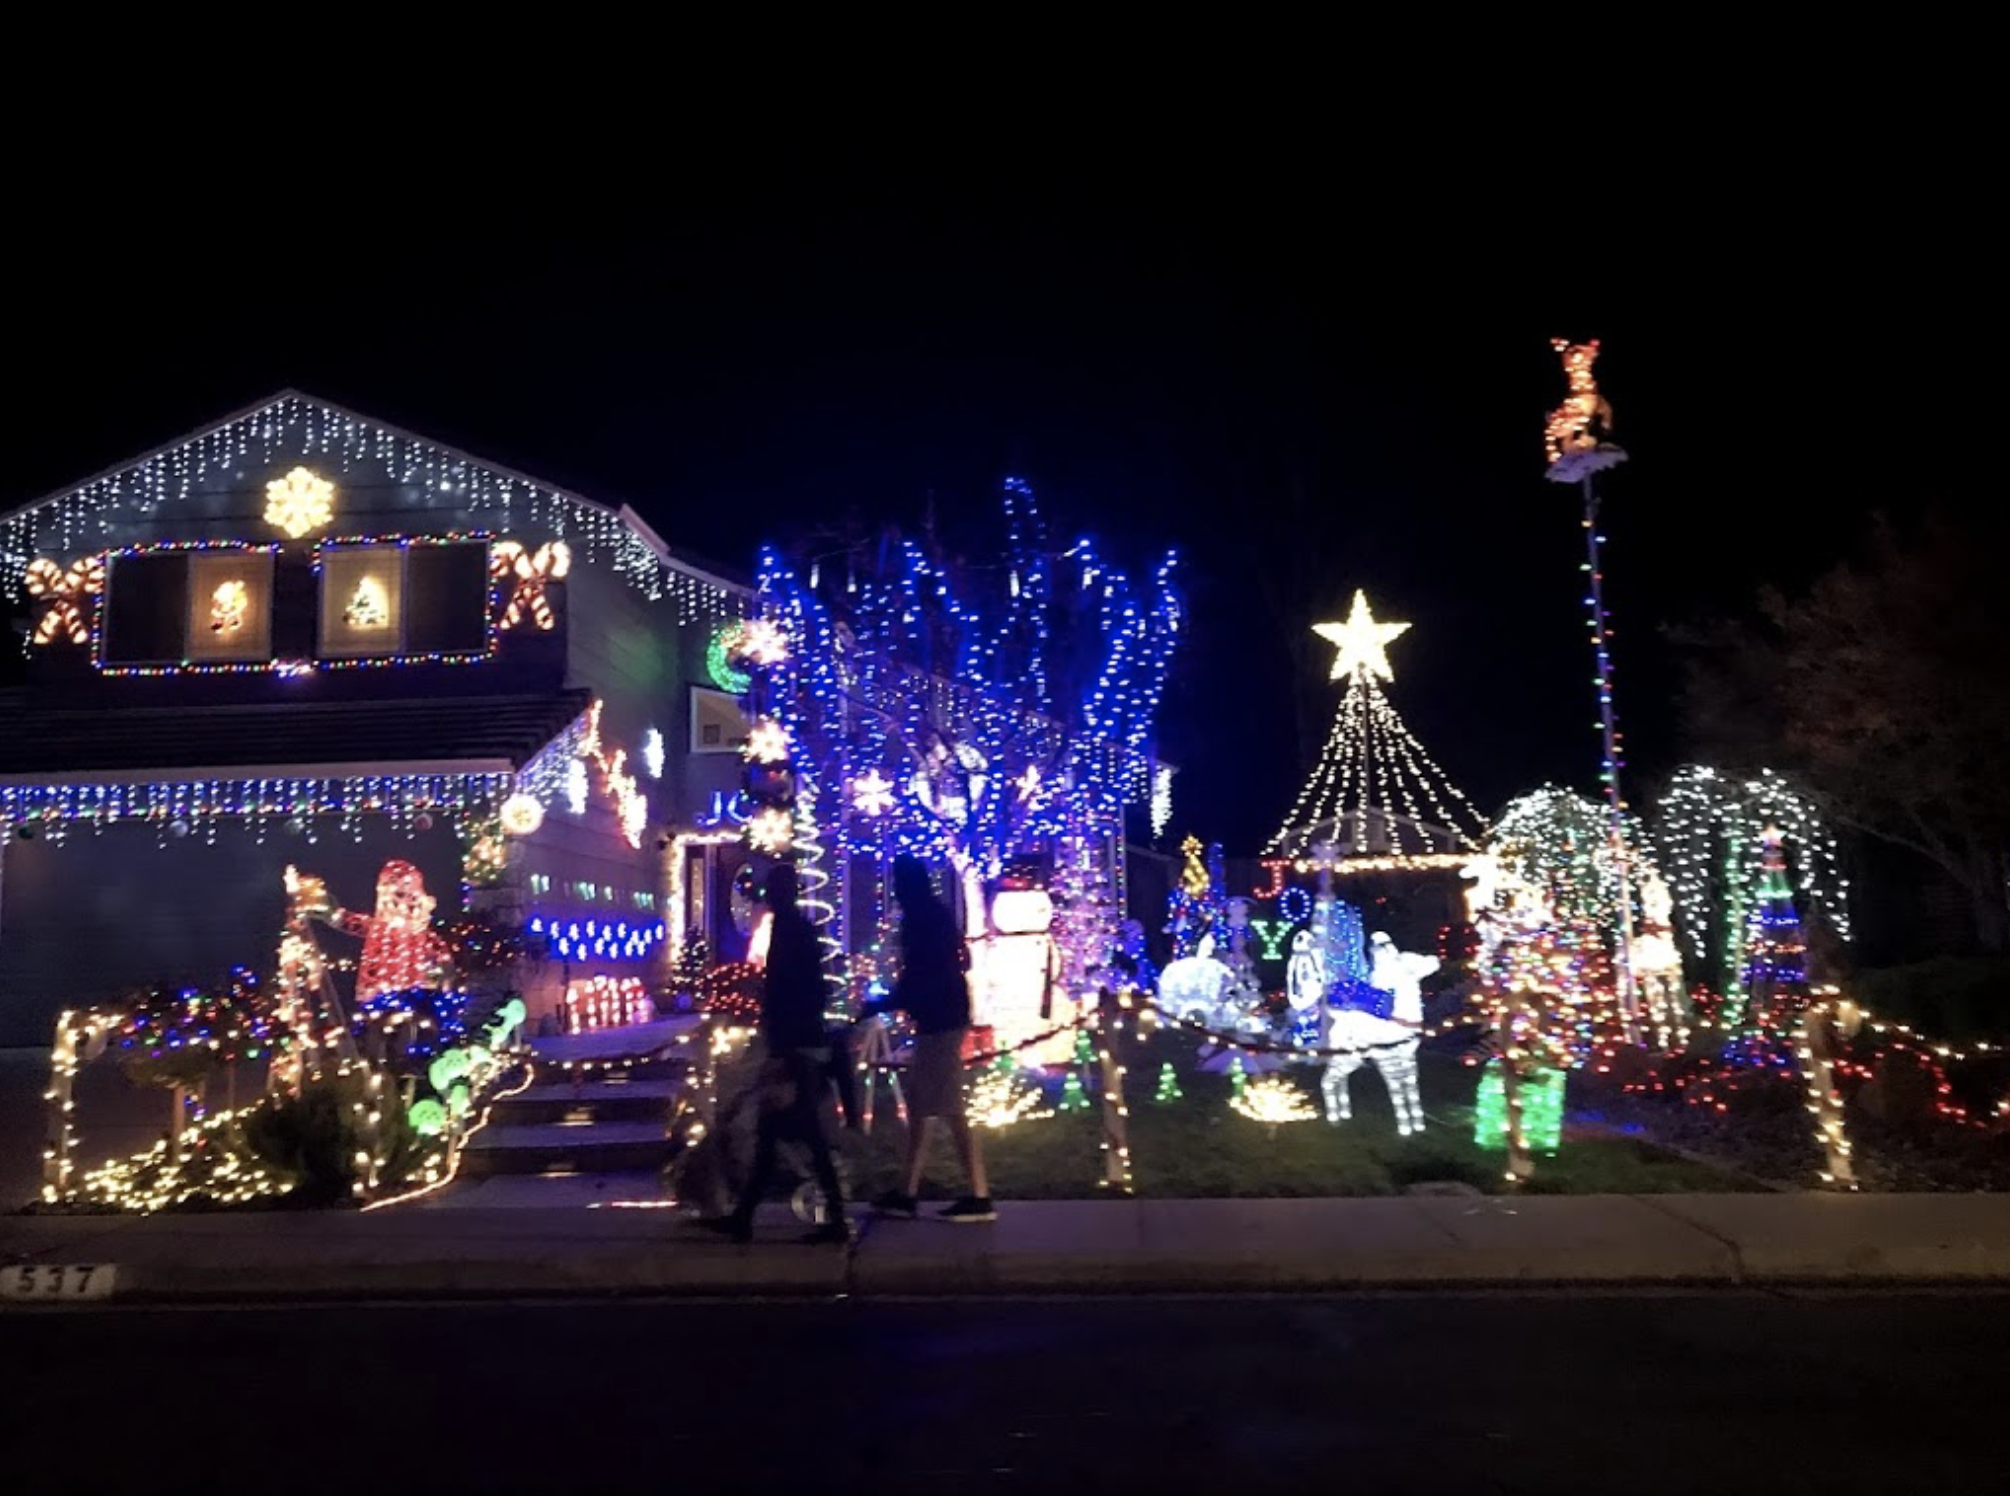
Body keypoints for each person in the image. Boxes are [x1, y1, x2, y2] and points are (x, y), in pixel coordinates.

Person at [698, 863, 850, 1245]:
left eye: (773, 890)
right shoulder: (797, 929)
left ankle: (832, 1219)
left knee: (804, 1135)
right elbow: (810, 991)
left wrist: (780, 1047)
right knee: (777, 1135)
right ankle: (746, 1216)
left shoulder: (788, 932)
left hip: (794, 1047)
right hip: (799, 1042)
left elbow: (788, 994)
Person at [865, 855, 995, 1222]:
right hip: (944, 1015)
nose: (895, 891)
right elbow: (952, 963)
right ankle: (907, 1192)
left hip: (940, 1020)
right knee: (923, 1106)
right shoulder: (935, 914)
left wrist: (881, 1004)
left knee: (950, 1107)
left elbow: (919, 976)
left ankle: (979, 1194)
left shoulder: (920, 920)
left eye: (898, 883)